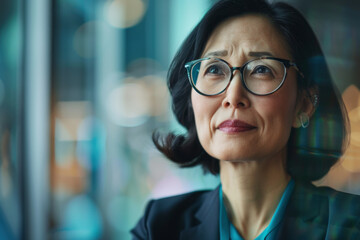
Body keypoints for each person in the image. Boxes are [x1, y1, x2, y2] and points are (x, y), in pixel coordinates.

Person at [131, 0, 360, 239]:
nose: (233, 96)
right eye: (214, 70)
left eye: (261, 69)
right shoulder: (158, 226)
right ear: (191, 97)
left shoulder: (350, 224)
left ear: (303, 103)